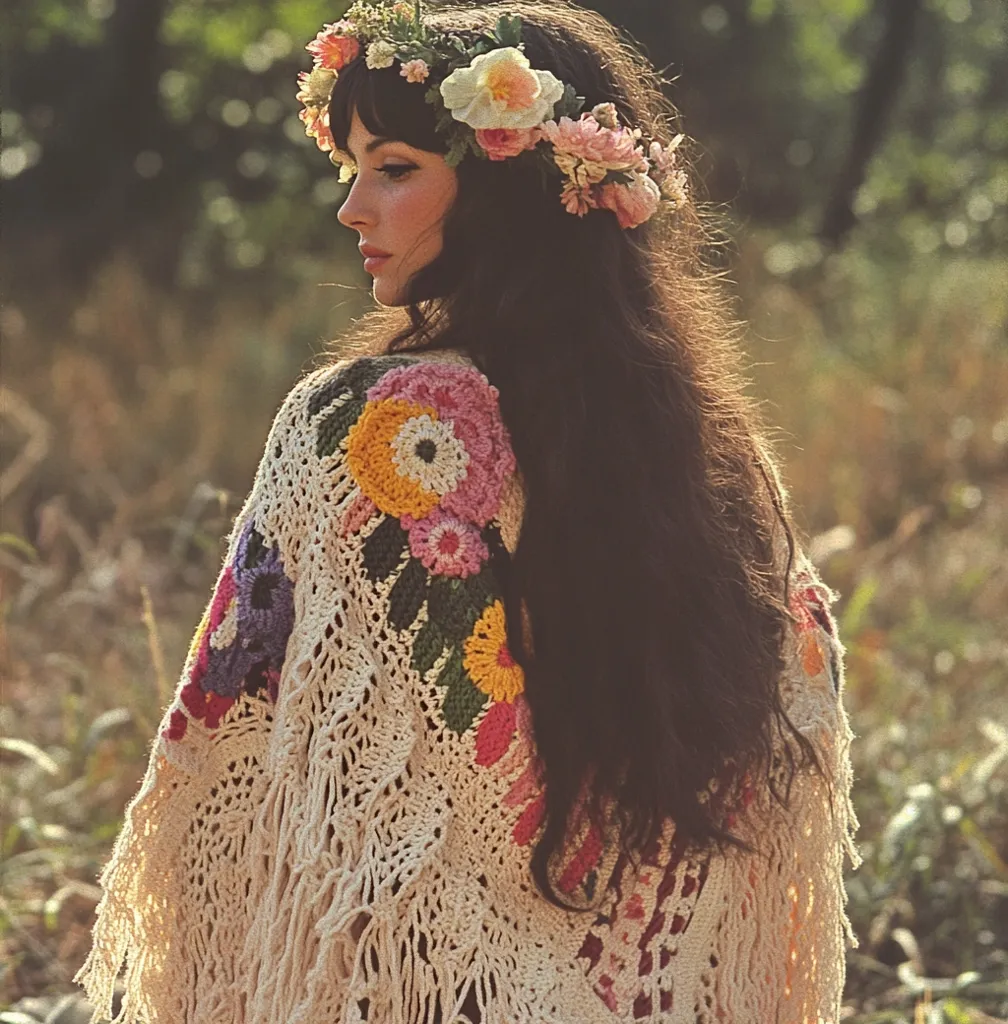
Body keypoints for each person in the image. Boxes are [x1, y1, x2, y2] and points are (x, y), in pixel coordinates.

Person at [75, 1, 861, 1021]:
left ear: (511, 190)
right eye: (351, 166)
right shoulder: (722, 454)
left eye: (394, 167)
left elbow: (273, 762)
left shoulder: (370, 430)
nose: (352, 208)